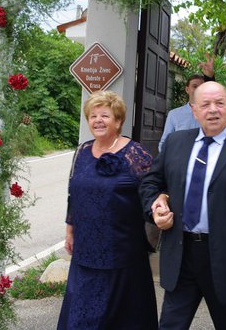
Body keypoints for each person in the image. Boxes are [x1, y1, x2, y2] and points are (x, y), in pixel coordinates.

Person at [139, 81, 226, 330]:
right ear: (194, 110)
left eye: (219, 103)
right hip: (181, 256)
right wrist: (154, 207)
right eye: (205, 104)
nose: (213, 110)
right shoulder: (175, 143)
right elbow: (150, 182)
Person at [58, 91, 158, 330]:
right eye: (93, 116)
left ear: (118, 121)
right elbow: (74, 194)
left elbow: (152, 193)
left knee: (120, 319)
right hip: (86, 251)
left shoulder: (136, 154)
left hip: (122, 254)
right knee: (81, 318)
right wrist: (70, 230)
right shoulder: (82, 151)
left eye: (105, 115)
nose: (98, 120)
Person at [159, 55, 215, 152]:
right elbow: (164, 143)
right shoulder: (174, 115)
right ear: (187, 89)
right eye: (194, 86)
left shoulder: (211, 114)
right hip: (179, 163)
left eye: (201, 87)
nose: (198, 89)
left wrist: (210, 77)